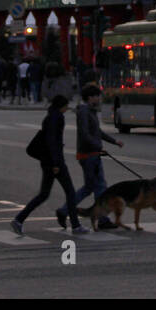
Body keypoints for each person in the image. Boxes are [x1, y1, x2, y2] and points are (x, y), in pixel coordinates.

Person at [12, 94, 86, 235]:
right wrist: (56, 163)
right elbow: (53, 142)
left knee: (44, 194)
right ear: (61, 106)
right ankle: (76, 225)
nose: (66, 109)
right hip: (55, 162)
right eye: (65, 106)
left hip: (48, 161)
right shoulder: (56, 118)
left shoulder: (51, 116)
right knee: (70, 192)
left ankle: (19, 219)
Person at [57, 85, 123, 230]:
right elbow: (85, 134)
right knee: (97, 187)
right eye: (97, 96)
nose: (99, 98)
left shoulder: (90, 112)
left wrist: (114, 141)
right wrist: (98, 147)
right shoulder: (84, 112)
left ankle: (67, 211)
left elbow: (97, 131)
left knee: (94, 187)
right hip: (88, 155)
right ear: (90, 97)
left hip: (91, 154)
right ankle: (100, 218)